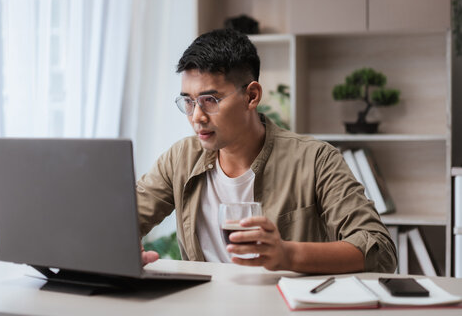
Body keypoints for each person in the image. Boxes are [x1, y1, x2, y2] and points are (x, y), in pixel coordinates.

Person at [137, 28, 397, 273]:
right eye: (188, 102)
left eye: (210, 100)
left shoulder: (316, 159)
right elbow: (125, 220)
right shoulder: (180, 159)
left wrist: (288, 255)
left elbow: (380, 250)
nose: (197, 117)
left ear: (252, 96)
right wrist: (121, 250)